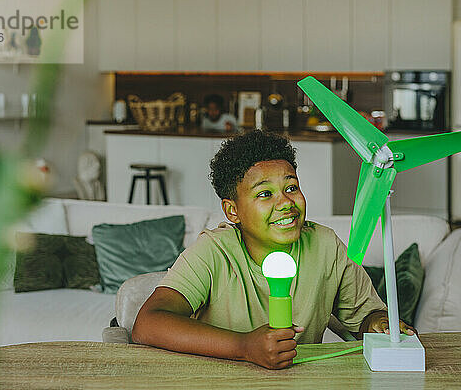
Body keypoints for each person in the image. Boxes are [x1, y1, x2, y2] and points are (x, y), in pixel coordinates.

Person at [132, 130, 416, 370]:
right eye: (265, 194)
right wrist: (244, 346)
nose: (285, 203)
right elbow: (147, 324)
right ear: (233, 210)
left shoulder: (326, 245)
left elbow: (364, 320)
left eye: (291, 188)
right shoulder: (214, 251)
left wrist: (378, 323)